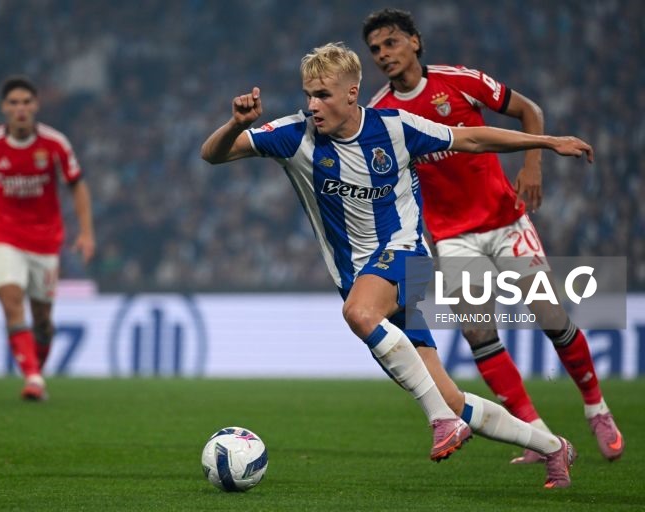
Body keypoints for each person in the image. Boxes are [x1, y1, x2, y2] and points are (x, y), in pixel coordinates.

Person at [201, 42, 593, 488]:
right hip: (359, 278)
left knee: (358, 314)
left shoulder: (395, 127)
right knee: (451, 397)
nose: (313, 105)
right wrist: (235, 124)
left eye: (324, 94)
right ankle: (553, 446)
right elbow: (212, 155)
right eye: (309, 94)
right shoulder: (294, 136)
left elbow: (472, 137)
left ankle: (439, 422)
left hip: (406, 256)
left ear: (352, 93)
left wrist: (545, 141)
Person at [362, 8, 623, 464]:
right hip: (450, 235)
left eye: (392, 42)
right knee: (478, 331)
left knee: (550, 316)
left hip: (505, 221)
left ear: (415, 42)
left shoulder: (459, 80)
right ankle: (538, 436)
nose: (384, 54)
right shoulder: (381, 112)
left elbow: (528, 110)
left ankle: (596, 408)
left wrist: (533, 165)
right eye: (377, 49)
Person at [0, 76, 95, 401]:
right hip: (2, 236)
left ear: (36, 106)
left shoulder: (55, 144)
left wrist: (86, 233)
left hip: (44, 241)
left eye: (26, 102)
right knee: (12, 303)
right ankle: (33, 377)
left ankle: (35, 372)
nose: (20, 108)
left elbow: (77, 185)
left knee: (43, 320)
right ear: (4, 108)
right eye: (13, 103)